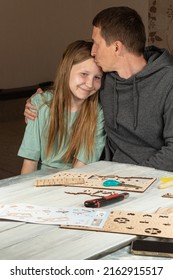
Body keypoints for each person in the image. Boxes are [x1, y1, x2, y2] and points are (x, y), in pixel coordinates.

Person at [24, 6, 173, 172]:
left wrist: (134, 177)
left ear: (117, 47)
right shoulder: (103, 79)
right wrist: (39, 99)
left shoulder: (168, 82)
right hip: (107, 176)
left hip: (155, 177)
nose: (93, 51)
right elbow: (72, 86)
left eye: (96, 43)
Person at [18, 40, 105, 174]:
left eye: (97, 77)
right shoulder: (40, 104)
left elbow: (80, 168)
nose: (89, 84)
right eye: (84, 74)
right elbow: (30, 162)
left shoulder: (97, 112)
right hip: (37, 180)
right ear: (66, 70)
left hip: (74, 179)